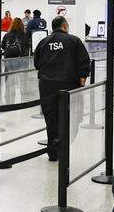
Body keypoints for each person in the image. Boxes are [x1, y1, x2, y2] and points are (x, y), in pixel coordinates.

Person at [33, 16, 91, 161]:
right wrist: (81, 85)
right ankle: (63, 147)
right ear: (65, 26)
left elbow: (37, 64)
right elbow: (84, 64)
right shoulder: (74, 41)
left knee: (51, 119)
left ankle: (53, 151)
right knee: (72, 118)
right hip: (69, 87)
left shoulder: (43, 42)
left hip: (47, 87)